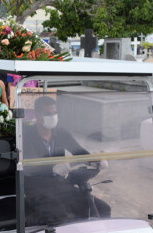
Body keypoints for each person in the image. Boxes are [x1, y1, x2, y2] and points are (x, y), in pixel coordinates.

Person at [23, 96, 110, 225]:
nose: (52, 117)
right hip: (36, 188)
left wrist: (95, 161)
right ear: (37, 115)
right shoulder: (27, 136)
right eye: (48, 114)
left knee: (102, 209)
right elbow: (29, 166)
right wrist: (52, 168)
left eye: (55, 113)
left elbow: (79, 152)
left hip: (59, 185)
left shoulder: (60, 133)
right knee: (60, 217)